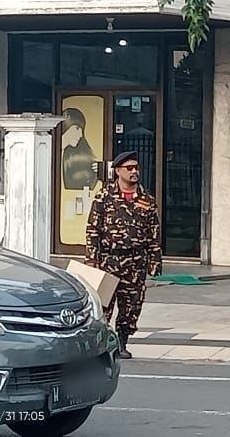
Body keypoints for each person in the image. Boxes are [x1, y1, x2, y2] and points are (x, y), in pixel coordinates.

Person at [85, 150, 162, 359]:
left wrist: (155, 260)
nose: (134, 171)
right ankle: (101, 344)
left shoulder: (147, 200)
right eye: (129, 168)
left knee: (131, 305)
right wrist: (92, 259)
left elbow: (154, 232)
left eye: (137, 168)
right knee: (103, 305)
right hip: (109, 261)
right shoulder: (104, 197)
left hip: (136, 262)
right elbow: (93, 229)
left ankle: (122, 342)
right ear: (118, 171)